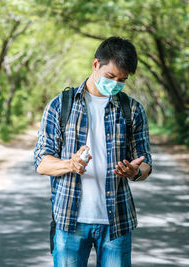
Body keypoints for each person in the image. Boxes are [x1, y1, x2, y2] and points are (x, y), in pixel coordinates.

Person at [33, 36, 152, 267]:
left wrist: (134, 172)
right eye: (111, 76)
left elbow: (146, 164)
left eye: (122, 80)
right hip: (69, 221)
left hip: (117, 221)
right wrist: (71, 164)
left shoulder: (132, 110)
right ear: (95, 65)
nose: (116, 83)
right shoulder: (60, 106)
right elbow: (41, 162)